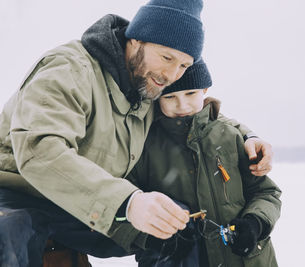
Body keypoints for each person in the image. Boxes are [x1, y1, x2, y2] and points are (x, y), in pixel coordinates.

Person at [0, 0, 273, 265]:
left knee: (176, 224)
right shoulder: (70, 69)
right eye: (167, 57)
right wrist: (126, 203)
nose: (171, 75)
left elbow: (191, 117)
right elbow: (39, 150)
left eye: (183, 65)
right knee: (14, 231)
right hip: (16, 194)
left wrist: (247, 136)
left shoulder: (147, 86)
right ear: (136, 40)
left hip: (80, 204)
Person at [128, 59, 281, 267]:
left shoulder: (231, 137)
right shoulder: (142, 146)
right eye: (170, 96)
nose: (182, 105)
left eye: (190, 93)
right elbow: (124, 207)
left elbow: (266, 193)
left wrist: (255, 223)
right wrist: (152, 238)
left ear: (205, 89)